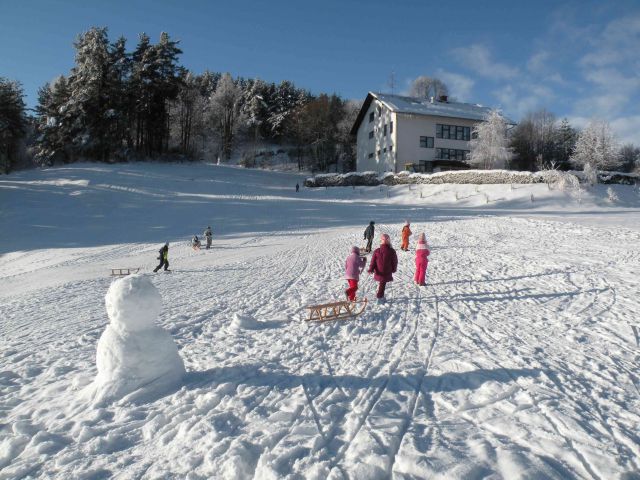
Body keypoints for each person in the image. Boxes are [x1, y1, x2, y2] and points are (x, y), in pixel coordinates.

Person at [368, 233, 398, 304]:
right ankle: (379, 298)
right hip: (386, 271)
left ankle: (381, 296)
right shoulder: (392, 251)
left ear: (381, 241)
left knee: (382, 284)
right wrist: (394, 269)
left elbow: (373, 262)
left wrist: (371, 269)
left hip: (379, 271)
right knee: (382, 284)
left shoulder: (377, 251)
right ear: (388, 241)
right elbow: (394, 262)